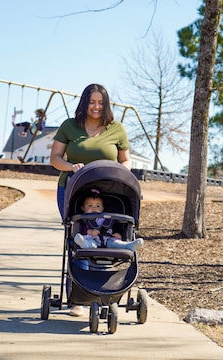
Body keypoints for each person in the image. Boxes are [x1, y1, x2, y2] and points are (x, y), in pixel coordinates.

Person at [49, 83, 131, 317]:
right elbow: (55, 158)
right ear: (85, 103)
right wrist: (70, 166)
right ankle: (78, 297)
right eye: (92, 102)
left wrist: (119, 171)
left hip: (109, 194)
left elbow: (126, 161)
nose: (96, 107)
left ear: (106, 105)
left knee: (109, 237)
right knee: (77, 238)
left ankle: (107, 290)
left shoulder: (116, 129)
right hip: (73, 189)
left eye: (101, 102)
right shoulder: (70, 126)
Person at [73, 190, 143, 251]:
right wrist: (89, 231)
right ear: (83, 208)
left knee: (116, 243)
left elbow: (113, 227)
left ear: (102, 208)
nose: (94, 208)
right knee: (89, 243)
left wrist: (117, 234)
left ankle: (129, 245)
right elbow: (80, 228)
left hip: (108, 240)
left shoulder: (106, 218)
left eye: (98, 206)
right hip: (92, 240)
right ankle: (83, 243)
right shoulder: (83, 219)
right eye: (90, 206)